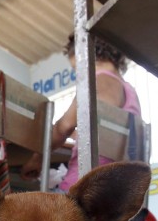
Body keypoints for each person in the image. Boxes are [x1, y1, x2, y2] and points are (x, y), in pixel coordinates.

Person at [21, 34, 142, 190]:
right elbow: (104, 134)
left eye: (76, 69)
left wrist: (37, 158)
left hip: (84, 190)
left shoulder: (97, 81)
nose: (77, 75)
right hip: (116, 190)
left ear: (85, 57)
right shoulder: (129, 91)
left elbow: (64, 127)